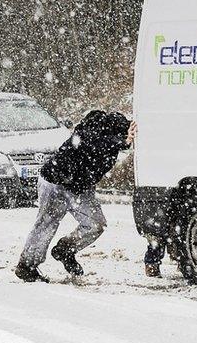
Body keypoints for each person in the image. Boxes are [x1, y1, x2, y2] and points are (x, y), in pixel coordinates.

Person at [15, 110, 135, 283]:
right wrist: (121, 141)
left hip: (80, 187)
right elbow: (88, 142)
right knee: (46, 223)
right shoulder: (94, 126)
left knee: (96, 224)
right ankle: (27, 266)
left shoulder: (113, 140)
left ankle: (65, 249)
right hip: (55, 182)